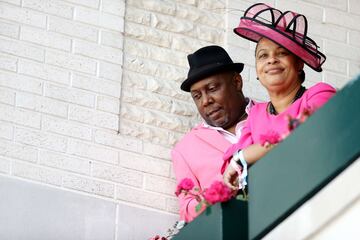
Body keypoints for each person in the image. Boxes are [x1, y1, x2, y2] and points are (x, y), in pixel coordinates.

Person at [222, 3, 337, 190]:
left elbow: (306, 135)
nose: (271, 60)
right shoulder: (256, 114)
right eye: (262, 55)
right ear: (258, 71)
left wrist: (244, 156)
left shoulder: (319, 94)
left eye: (282, 53)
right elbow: (232, 167)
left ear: (299, 63)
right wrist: (240, 158)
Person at [172, 45, 254, 222]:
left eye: (212, 88)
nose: (206, 101)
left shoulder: (270, 113)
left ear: (237, 82)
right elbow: (187, 211)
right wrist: (217, 192)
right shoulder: (185, 150)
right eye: (197, 96)